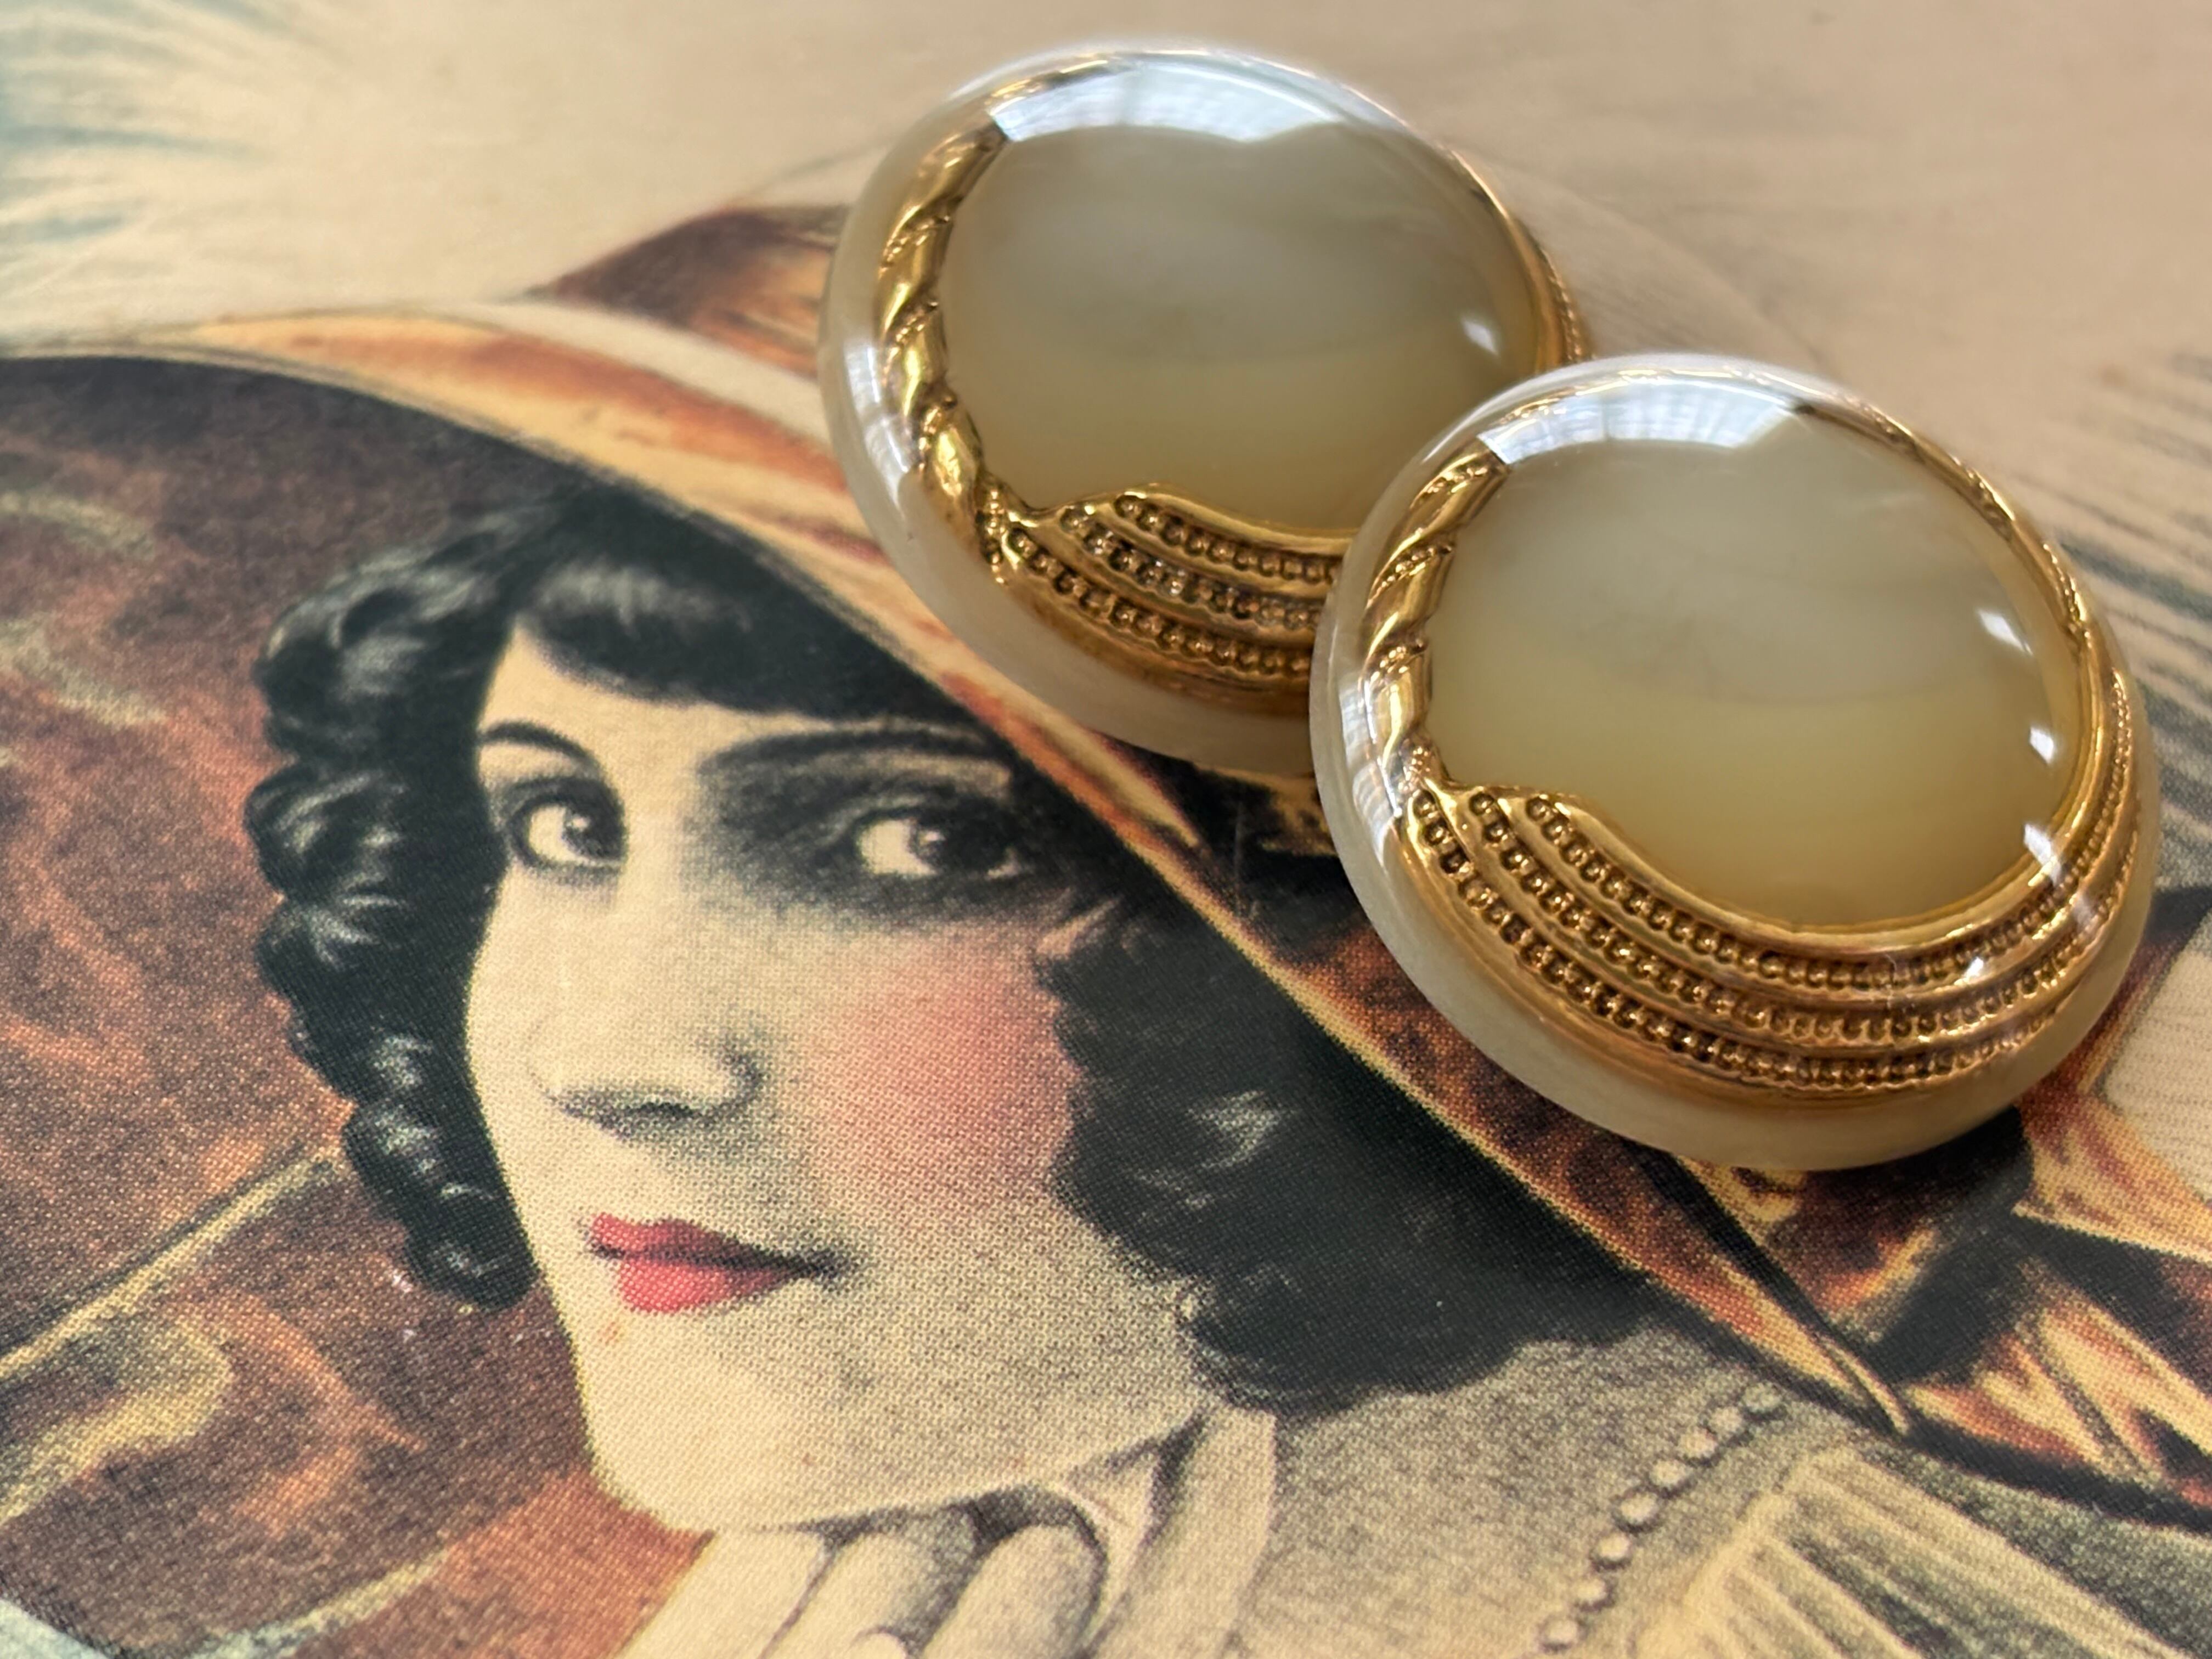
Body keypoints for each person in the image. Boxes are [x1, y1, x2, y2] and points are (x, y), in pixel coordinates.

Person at [245, 490, 2212, 1658]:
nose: (608, 1059)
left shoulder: (1815, 1596)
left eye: (922, 843)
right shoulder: (1001, 1550)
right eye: (565, 827)